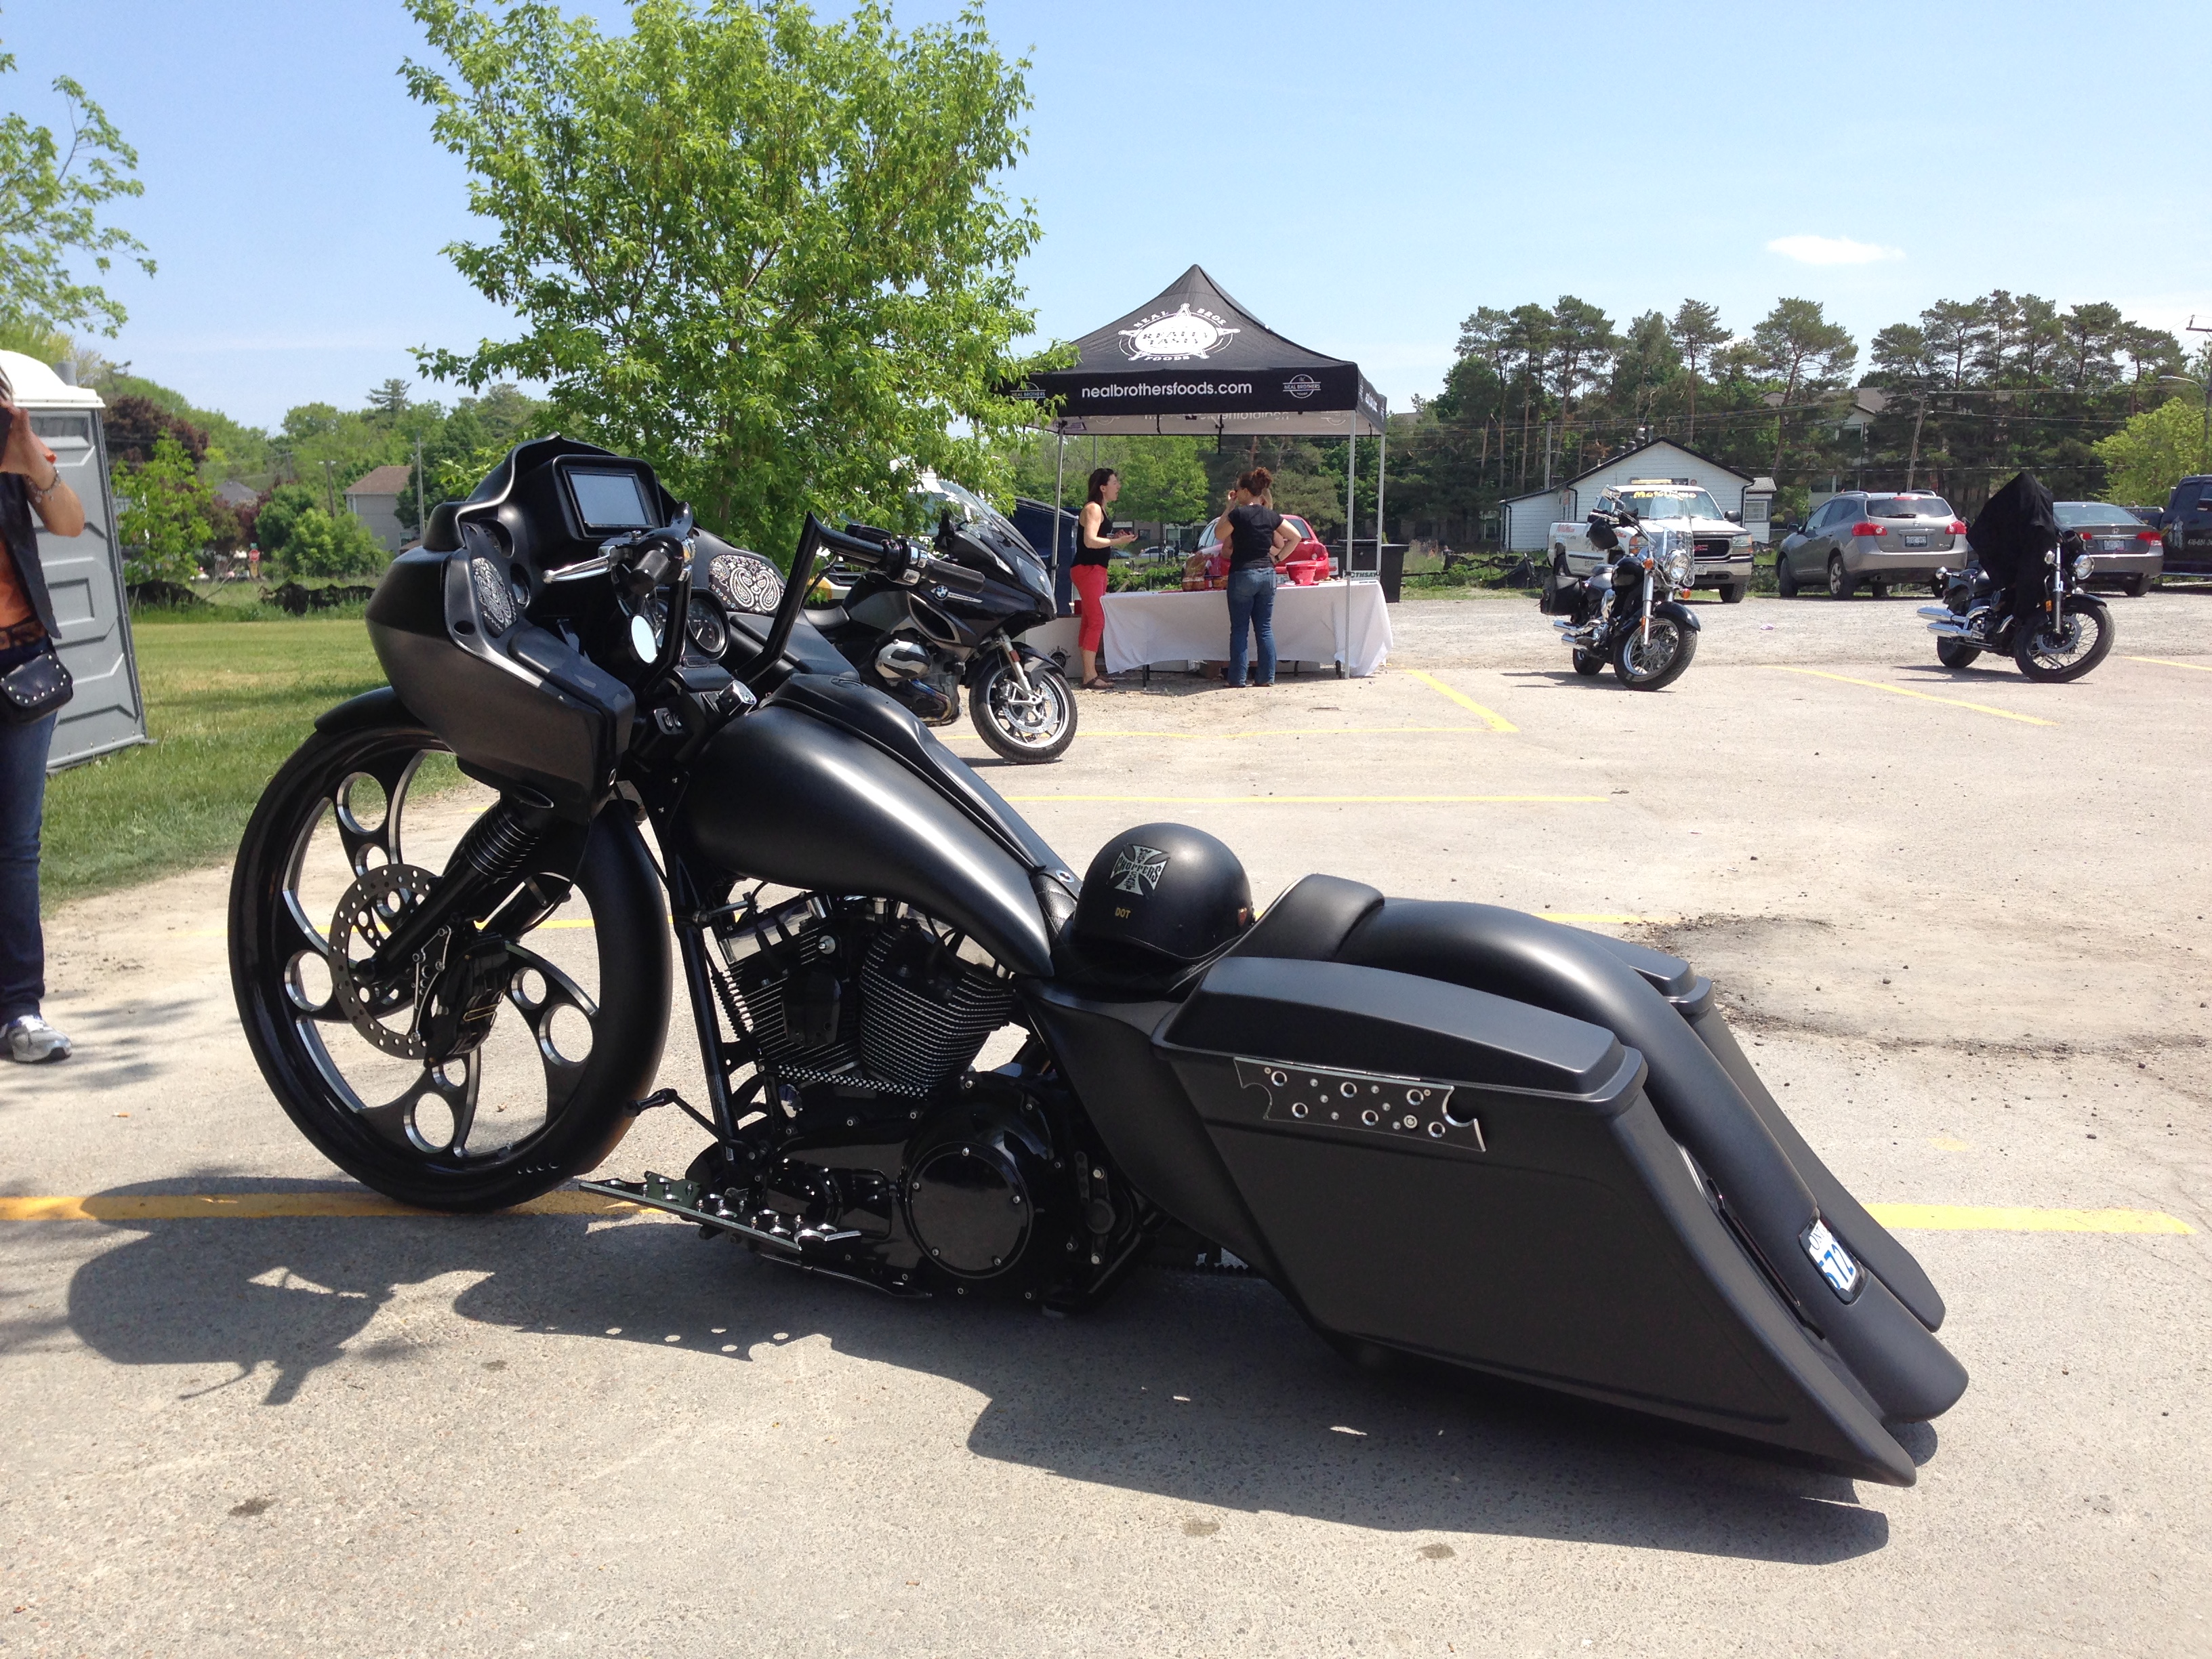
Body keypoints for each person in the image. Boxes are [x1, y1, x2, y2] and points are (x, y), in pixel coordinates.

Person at [0, 365, 89, 1063]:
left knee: (16, 848)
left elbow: (70, 522)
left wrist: (34, 465)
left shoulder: (16, 451)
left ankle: (19, 1010)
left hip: (19, 665)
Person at [1210, 466, 1300, 687]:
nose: (1235, 493)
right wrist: (1277, 558)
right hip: (1267, 574)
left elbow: (1219, 533)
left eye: (1237, 490)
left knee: (1240, 629)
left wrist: (1229, 506)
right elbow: (1295, 537)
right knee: (1264, 628)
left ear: (1245, 491)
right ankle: (1266, 677)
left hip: (1243, 572)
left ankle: (1237, 678)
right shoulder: (1271, 516)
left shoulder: (1238, 515)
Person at [1071, 467, 1135, 689]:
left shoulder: (1100, 509)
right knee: (1097, 620)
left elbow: (1097, 538)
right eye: (1115, 482)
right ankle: (1089, 676)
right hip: (1088, 569)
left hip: (1094, 570)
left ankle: (1090, 672)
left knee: (1090, 620)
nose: (1119, 486)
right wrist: (1117, 542)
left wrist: (1113, 538)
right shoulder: (1093, 508)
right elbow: (1090, 541)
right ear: (1103, 487)